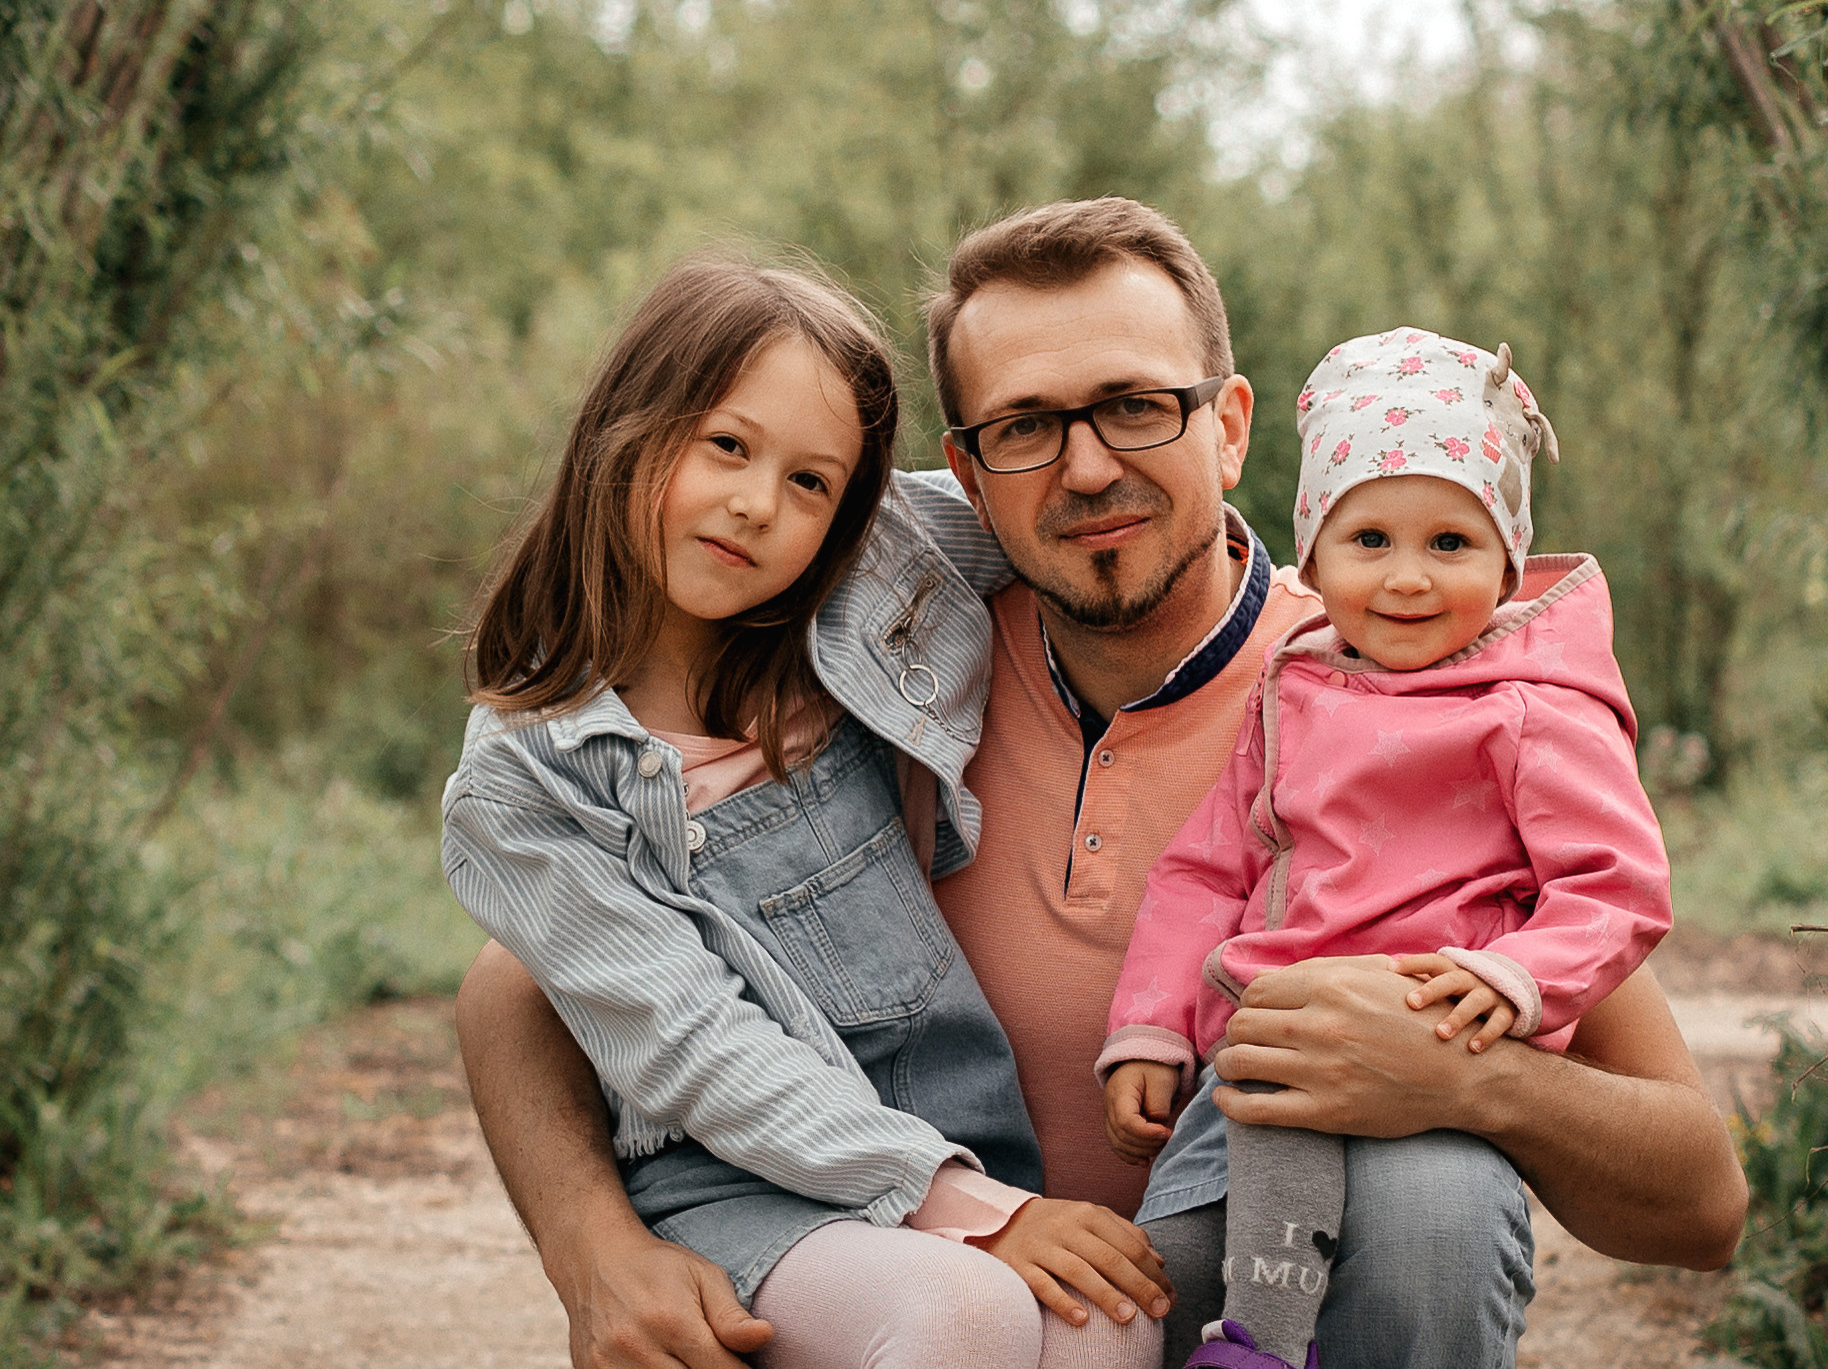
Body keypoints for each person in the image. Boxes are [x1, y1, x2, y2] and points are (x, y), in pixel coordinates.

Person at [452, 198, 1749, 1369]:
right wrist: (591, 1244)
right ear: (965, 475)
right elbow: (527, 972)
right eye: (1024, 426)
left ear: (1227, 427)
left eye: (1135, 405)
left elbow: (1702, 1204)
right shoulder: (878, 648)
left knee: (1433, 1192)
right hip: (967, 1296)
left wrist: (1468, 1078)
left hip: (1250, 1301)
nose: (1084, 469)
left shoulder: (1404, 697)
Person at [440, 253, 1167, 1368]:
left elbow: (1060, 519)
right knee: (961, 1314)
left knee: (1107, 1316)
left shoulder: (866, 581)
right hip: (736, 1179)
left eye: (811, 483)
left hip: (959, 1130)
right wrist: (966, 1206)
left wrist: (1369, 570)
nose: (756, 506)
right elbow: (688, 1044)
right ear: (625, 429)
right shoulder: (527, 783)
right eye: (726, 446)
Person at [1098, 328, 1673, 1369]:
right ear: (1313, 557)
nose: (1408, 577)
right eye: (1370, 539)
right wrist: (1149, 1026)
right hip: (1267, 1052)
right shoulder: (1291, 691)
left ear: (1507, 562)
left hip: (1429, 1046)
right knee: (1172, 1268)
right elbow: (1209, 867)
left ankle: (1264, 1347)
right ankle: (1252, 1336)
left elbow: (1613, 884)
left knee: (1409, 1246)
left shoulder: (1533, 708)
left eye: (1449, 543)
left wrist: (1517, 976)